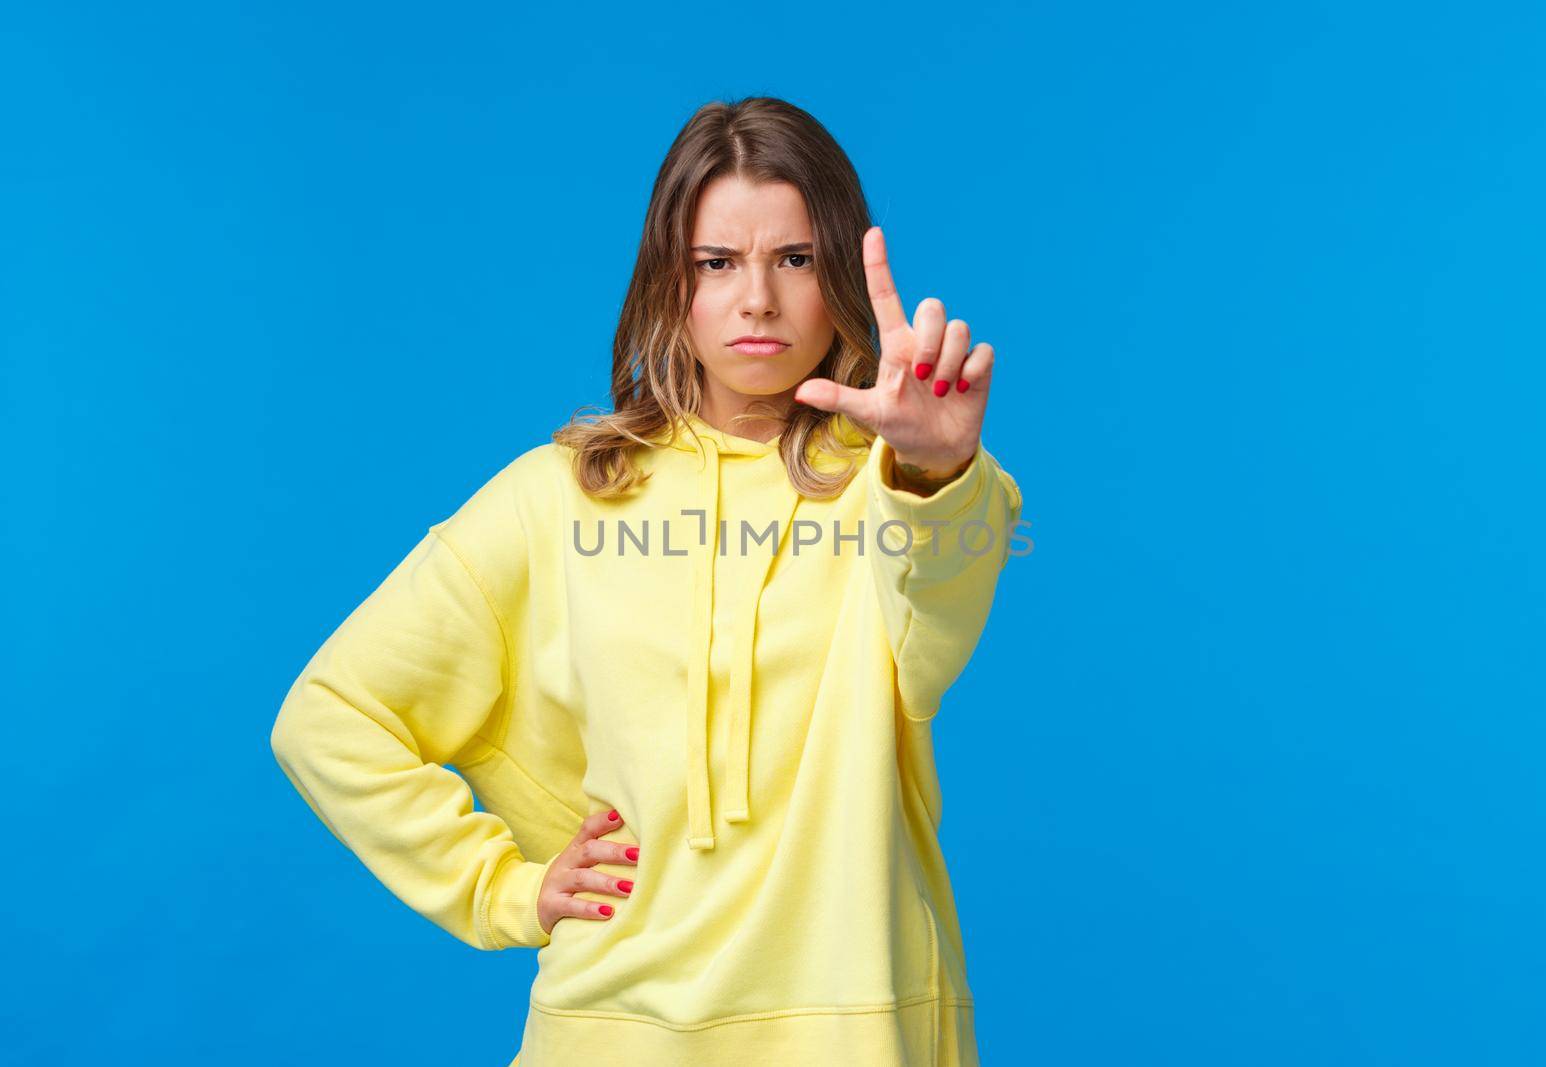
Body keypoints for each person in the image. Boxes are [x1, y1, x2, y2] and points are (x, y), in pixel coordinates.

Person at [269, 95, 1024, 1065]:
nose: (757, 299)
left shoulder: (902, 480)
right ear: (672, 282)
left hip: (860, 1024)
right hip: (610, 1029)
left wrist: (934, 470)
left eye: (792, 259)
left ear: (837, 268)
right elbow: (331, 716)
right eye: (718, 263)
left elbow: (932, 634)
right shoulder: (560, 494)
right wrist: (504, 886)